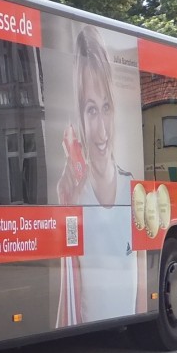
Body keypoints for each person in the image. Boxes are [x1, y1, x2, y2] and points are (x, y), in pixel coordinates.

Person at [55, 26, 146, 327]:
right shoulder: (71, 195)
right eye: (91, 110)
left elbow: (143, 302)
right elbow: (67, 301)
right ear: (79, 117)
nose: (103, 131)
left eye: (106, 107)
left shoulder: (134, 190)